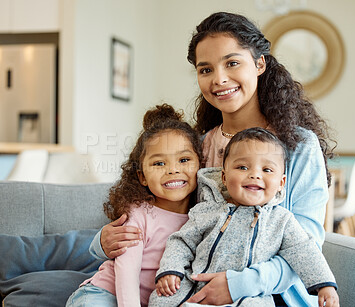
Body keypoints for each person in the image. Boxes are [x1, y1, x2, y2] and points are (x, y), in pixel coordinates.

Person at [90, 11, 336, 306]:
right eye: (205, 69)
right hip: (191, 290)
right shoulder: (198, 147)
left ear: (259, 64)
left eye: (232, 63)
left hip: (269, 296)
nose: (219, 79)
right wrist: (102, 244)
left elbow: (307, 245)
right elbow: (164, 220)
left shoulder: (298, 145)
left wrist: (238, 285)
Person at [149, 128, 339, 307]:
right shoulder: (207, 210)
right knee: (161, 299)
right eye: (242, 167)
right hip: (197, 285)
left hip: (249, 295)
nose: (254, 175)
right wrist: (170, 270)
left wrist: (325, 285)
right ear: (224, 177)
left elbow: (305, 251)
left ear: (281, 182)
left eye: (267, 170)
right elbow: (182, 241)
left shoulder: (282, 220)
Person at [65, 104, 202, 307]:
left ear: (201, 163)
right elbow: (127, 274)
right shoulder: (138, 214)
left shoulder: (202, 215)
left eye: (184, 160)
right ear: (142, 176)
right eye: (159, 163)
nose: (173, 170)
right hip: (104, 294)